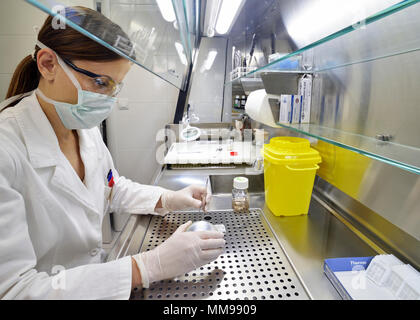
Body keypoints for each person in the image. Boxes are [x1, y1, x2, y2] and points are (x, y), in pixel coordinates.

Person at [0, 7, 225, 299]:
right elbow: (15, 290)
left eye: (115, 87)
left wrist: (166, 198)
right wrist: (145, 267)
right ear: (47, 64)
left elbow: (110, 187)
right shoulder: (7, 149)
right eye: (100, 82)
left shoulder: (83, 128)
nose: (108, 99)